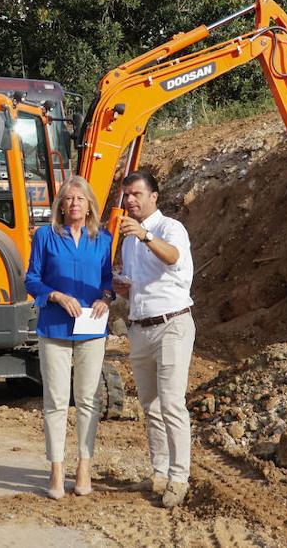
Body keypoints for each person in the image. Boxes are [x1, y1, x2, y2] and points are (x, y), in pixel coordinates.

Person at [24, 176, 114, 500]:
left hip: (91, 328)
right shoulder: (46, 236)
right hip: (55, 327)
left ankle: (84, 468)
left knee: (88, 400)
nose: (74, 203)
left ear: (89, 204)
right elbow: (31, 280)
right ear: (60, 205)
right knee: (57, 401)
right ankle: (57, 471)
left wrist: (106, 297)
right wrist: (57, 296)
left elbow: (107, 280)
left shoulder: (103, 239)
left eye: (80, 199)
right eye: (68, 199)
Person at [115, 170, 195, 508]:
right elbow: (139, 283)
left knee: (172, 403)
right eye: (126, 195)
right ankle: (159, 472)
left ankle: (179, 478)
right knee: (150, 405)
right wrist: (122, 286)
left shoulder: (168, 228)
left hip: (172, 325)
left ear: (153, 197)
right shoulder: (129, 240)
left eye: (136, 194)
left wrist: (145, 235)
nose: (130, 200)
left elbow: (173, 257)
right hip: (140, 327)